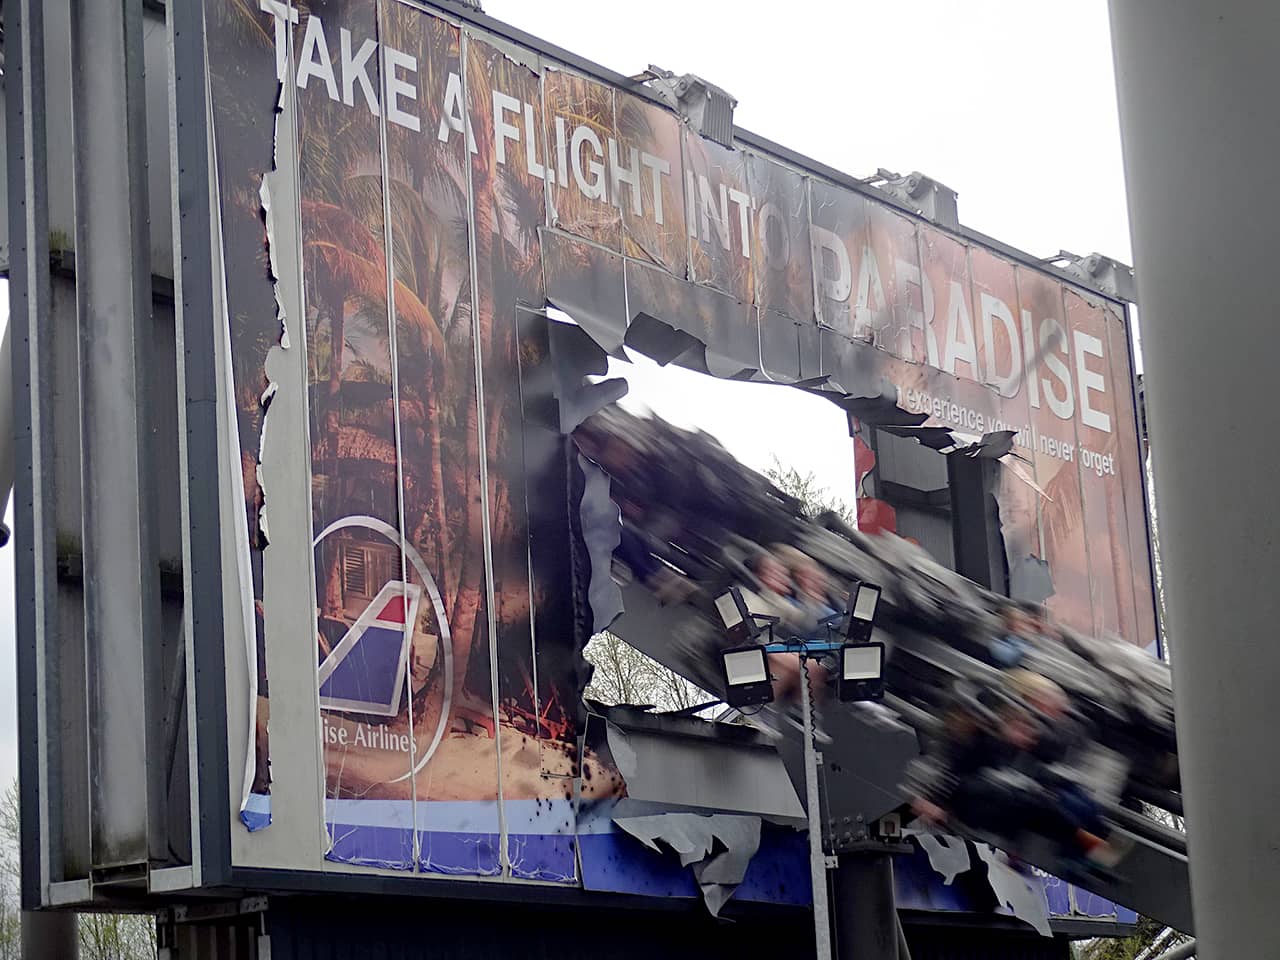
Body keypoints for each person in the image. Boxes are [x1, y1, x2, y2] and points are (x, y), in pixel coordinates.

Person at [907, 670, 1122, 872]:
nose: (1028, 735)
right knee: (1038, 804)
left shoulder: (997, 736)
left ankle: (1094, 848)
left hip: (991, 786)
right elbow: (946, 776)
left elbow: (1019, 762)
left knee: (1068, 794)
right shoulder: (968, 739)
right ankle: (1094, 851)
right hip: (967, 796)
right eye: (1021, 728)